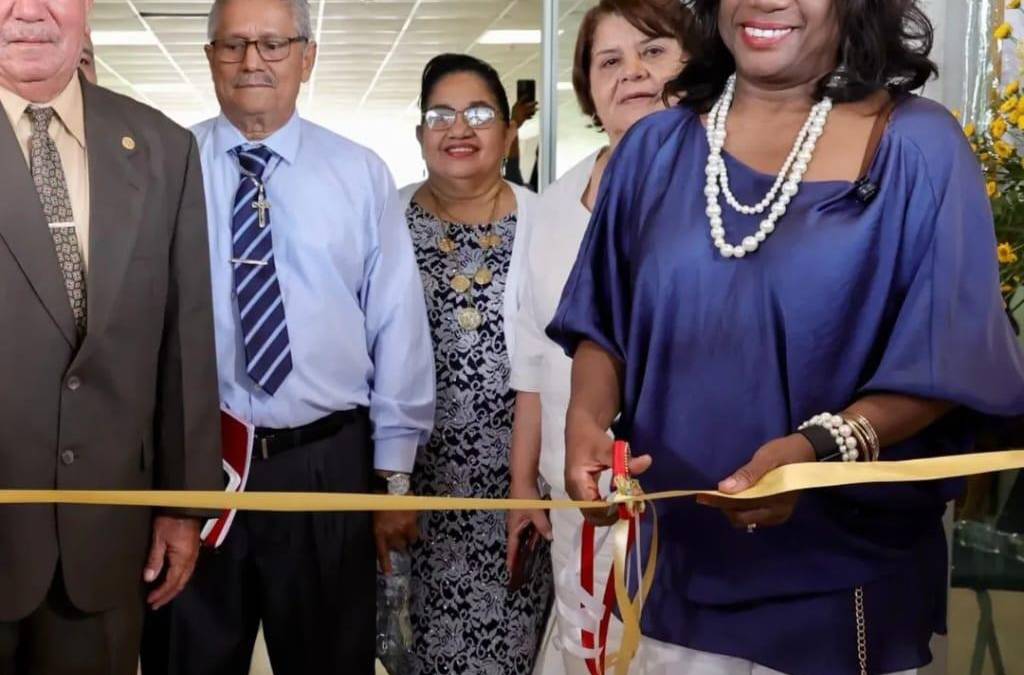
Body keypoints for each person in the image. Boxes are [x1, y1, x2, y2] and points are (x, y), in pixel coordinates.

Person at [546, 0, 1024, 674]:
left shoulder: (918, 145)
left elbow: (947, 355)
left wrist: (812, 452)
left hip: (836, 591)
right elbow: (603, 322)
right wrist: (585, 422)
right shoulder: (653, 148)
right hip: (670, 581)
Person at [140, 0, 434, 673]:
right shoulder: (165, 168)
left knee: (328, 659)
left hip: (324, 465)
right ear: (209, 57)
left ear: (308, 57)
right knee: (187, 657)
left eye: (273, 44)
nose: (253, 61)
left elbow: (397, 325)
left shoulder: (359, 174)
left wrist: (393, 477)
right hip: (198, 466)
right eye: (233, 44)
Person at [0, 0, 222, 672]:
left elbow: (184, 338)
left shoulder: (162, 148)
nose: (28, 11)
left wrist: (184, 505)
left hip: (105, 539)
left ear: (86, 8)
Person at [505, 1, 693, 672]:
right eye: (609, 61)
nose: (632, 72)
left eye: (653, 51)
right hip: (577, 500)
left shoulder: (722, 187)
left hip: (684, 503)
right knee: (586, 652)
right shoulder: (555, 203)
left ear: (693, 64)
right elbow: (532, 358)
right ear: (588, 86)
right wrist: (524, 484)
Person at [399, 53, 552, 675]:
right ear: (419, 134)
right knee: (414, 647)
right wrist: (389, 487)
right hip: (411, 493)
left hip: (517, 489)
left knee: (510, 651)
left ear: (509, 132)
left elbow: (554, 361)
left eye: (480, 114)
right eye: (441, 115)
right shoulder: (385, 219)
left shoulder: (547, 221)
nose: (458, 129)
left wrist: (525, 484)